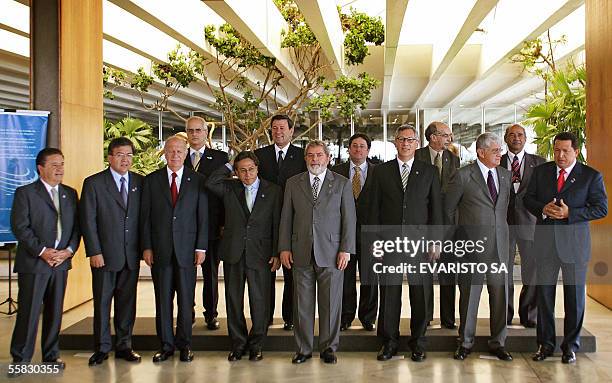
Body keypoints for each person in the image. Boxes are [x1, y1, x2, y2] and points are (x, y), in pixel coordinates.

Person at [525, 132, 607, 364]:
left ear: (576, 151)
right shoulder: (542, 172)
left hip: (574, 247)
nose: (560, 156)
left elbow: (601, 208)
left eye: (565, 151)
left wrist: (571, 213)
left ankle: (570, 346)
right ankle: (545, 344)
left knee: (575, 299)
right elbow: (527, 199)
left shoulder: (591, 176)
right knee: (544, 297)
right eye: (557, 150)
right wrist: (543, 209)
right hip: (545, 245)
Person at [278, 140, 356, 364]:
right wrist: (284, 247)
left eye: (319, 155)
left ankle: (328, 348)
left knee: (331, 303)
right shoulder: (293, 183)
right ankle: (303, 349)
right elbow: (286, 217)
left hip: (332, 253)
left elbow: (349, 220)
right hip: (300, 250)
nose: (315, 159)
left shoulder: (341, 183)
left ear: (328, 158)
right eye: (310, 155)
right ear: (306, 159)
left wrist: (346, 250)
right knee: (302, 304)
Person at [370, 125, 443, 362]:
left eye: (410, 140)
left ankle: (418, 343)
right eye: (401, 139)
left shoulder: (429, 171)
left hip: (420, 244)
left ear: (417, 143)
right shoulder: (381, 172)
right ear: (395, 142)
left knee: (420, 293)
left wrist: (435, 243)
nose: (406, 143)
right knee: (389, 293)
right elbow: (374, 211)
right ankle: (389, 343)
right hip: (389, 243)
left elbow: (436, 211)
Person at [205, 151, 282, 362]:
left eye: (250, 169)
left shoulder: (273, 190)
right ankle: (238, 344)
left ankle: (257, 344)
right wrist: (229, 165)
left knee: (260, 301)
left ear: (257, 168)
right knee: (233, 301)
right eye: (242, 170)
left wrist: (276, 252)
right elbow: (211, 182)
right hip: (234, 253)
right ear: (236, 172)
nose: (247, 175)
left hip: (261, 254)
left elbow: (277, 224)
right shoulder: (230, 188)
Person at [10, 148, 80, 371]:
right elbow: (20, 227)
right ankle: (21, 357)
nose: (60, 169)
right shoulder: (26, 193)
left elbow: (77, 228)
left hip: (61, 263)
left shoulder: (70, 193)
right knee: (29, 312)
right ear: (40, 168)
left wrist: (68, 250)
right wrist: (43, 251)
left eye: (62, 163)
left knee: (55, 311)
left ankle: (51, 355)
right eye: (54, 165)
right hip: (35, 263)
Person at [445, 132, 513, 361]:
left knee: (500, 295)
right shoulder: (463, 176)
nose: (500, 154)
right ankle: (465, 342)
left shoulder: (505, 175)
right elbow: (449, 210)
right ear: (481, 152)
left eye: (500, 150)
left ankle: (499, 342)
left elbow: (504, 210)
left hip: (499, 247)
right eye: (495, 151)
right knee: (470, 296)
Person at [140, 136, 208, 363]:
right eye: (170, 151)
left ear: (186, 153)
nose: (175, 155)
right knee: (163, 300)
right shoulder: (151, 181)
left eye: (179, 151)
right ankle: (166, 345)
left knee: (186, 301)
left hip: (188, 251)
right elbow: (145, 218)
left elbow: (202, 217)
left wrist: (201, 247)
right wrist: (147, 247)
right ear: (164, 153)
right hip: (160, 251)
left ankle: (185, 345)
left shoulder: (198, 180)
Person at [80, 137, 144, 365]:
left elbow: (143, 221)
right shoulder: (94, 183)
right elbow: (88, 221)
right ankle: (101, 348)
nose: (125, 160)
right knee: (102, 303)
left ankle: (124, 346)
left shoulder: (139, 182)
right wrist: (94, 251)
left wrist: (144, 249)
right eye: (120, 155)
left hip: (130, 256)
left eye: (129, 155)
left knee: (127, 304)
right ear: (110, 157)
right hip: (104, 256)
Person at [254, 114, 307, 330]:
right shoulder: (260, 155)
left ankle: (290, 318)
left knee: (291, 274)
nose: (278, 132)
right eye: (274, 128)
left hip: (293, 222)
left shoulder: (302, 156)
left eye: (282, 128)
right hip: (264, 223)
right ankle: (264, 318)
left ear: (291, 130)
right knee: (265, 275)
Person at [184, 116, 228, 330]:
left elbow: (225, 195)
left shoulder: (220, 158)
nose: (194, 134)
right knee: (187, 273)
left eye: (198, 130)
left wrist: (223, 223)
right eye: (190, 131)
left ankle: (211, 314)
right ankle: (187, 312)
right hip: (184, 229)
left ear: (205, 133)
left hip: (211, 226)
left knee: (211, 273)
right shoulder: (178, 156)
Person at [415, 121, 460, 329]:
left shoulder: (453, 159)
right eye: (445, 135)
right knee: (423, 276)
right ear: (433, 137)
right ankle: (425, 318)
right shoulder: (417, 157)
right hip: (424, 224)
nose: (449, 139)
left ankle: (448, 319)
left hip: (449, 225)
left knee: (448, 273)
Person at [331, 133, 378, 332]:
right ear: (348, 149)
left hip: (371, 234)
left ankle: (368, 317)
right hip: (343, 234)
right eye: (355, 146)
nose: (358, 149)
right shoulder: (336, 172)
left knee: (370, 278)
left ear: (368, 150)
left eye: (362, 146)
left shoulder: (379, 172)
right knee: (345, 278)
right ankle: (346, 316)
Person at [501, 124, 545, 328]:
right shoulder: (495, 161)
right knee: (503, 272)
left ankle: (529, 315)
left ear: (525, 139)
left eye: (520, 135)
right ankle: (505, 315)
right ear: (505, 139)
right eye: (512, 135)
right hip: (503, 225)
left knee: (532, 271)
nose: (516, 138)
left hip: (531, 223)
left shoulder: (540, 163)